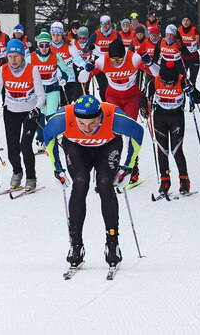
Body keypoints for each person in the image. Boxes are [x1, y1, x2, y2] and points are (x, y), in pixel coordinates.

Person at [43, 95, 144, 269]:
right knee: (80, 181)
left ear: (100, 116)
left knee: (105, 182)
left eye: (92, 123)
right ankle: (76, 245)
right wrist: (57, 168)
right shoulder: (62, 118)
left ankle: (112, 243)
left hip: (108, 146)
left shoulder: (115, 118)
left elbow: (138, 133)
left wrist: (129, 166)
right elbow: (48, 135)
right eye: (81, 123)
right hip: (76, 147)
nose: (87, 129)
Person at [79, 38, 151, 184]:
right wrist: (87, 70)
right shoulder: (103, 61)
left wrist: (149, 63)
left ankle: (132, 168)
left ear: (124, 55)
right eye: (113, 60)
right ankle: (111, 168)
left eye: (119, 59)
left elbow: (156, 73)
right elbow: (82, 79)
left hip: (131, 98)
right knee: (112, 134)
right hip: (112, 98)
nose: (116, 63)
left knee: (129, 134)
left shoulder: (134, 58)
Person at [139, 61, 200, 195]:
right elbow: (143, 98)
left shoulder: (183, 81)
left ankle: (184, 181)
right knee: (162, 150)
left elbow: (199, 99)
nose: (168, 86)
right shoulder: (154, 81)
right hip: (160, 117)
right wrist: (144, 108)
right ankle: (165, 181)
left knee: (176, 150)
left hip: (176, 117)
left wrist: (192, 90)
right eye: (165, 83)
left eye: (171, 83)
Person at [0, 39, 45, 190]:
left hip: (30, 112)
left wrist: (36, 109)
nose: (13, 60)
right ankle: (17, 172)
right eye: (10, 56)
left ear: (22, 56)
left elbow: (41, 95)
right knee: (12, 149)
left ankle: (31, 177)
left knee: (25, 146)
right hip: (11, 111)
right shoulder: (2, 70)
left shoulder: (32, 70)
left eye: (16, 56)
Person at [28, 30, 72, 151]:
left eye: (47, 45)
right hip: (38, 91)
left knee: (51, 116)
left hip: (53, 89)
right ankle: (40, 139)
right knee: (40, 116)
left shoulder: (55, 56)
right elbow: (24, 72)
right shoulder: (31, 58)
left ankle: (52, 138)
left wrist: (64, 79)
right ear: (38, 45)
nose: (44, 48)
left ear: (50, 45)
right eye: (41, 45)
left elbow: (65, 70)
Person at [86, 15, 118, 100]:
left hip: (112, 63)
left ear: (110, 24)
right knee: (102, 86)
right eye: (103, 23)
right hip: (99, 63)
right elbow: (86, 49)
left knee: (112, 85)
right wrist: (90, 47)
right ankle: (105, 103)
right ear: (100, 24)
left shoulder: (115, 34)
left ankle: (112, 103)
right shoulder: (96, 34)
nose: (105, 25)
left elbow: (121, 48)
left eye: (107, 23)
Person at [51, 21, 82, 104]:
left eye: (58, 35)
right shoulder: (48, 46)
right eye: (53, 35)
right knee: (54, 105)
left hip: (69, 79)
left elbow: (79, 59)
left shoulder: (69, 45)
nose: (56, 37)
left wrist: (84, 67)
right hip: (54, 80)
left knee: (65, 104)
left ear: (62, 34)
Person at [177, 16, 200, 85]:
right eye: (184, 20)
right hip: (183, 59)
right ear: (182, 22)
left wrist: (199, 39)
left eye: (187, 20)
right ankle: (182, 92)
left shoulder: (195, 30)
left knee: (192, 80)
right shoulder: (178, 30)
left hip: (194, 58)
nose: (186, 22)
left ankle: (193, 91)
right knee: (182, 79)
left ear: (190, 22)